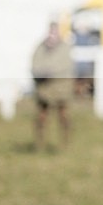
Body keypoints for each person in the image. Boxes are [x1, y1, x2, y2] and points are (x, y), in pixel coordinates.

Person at [31, 21, 75, 151]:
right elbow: (35, 64)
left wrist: (50, 71)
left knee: (64, 117)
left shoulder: (65, 48)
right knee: (41, 117)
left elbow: (65, 66)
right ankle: (40, 144)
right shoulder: (40, 47)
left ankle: (65, 143)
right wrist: (41, 72)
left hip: (61, 88)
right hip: (44, 89)